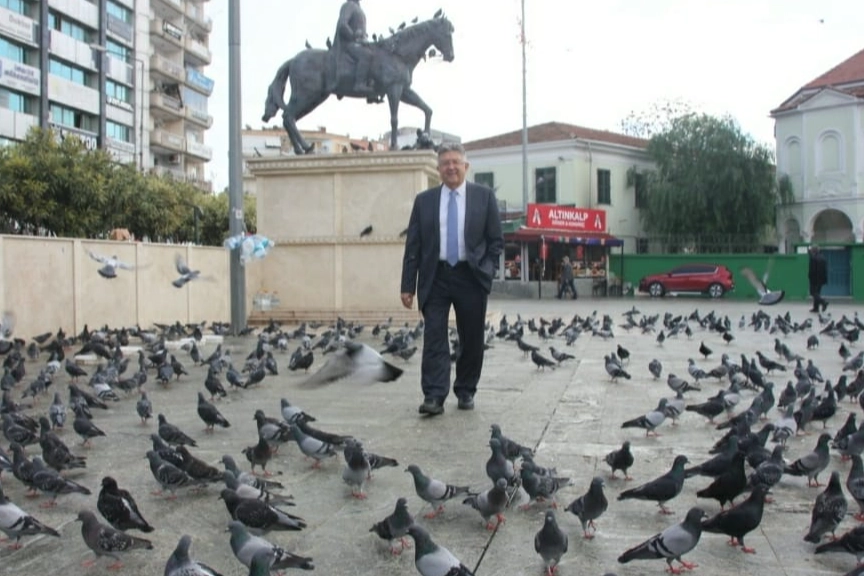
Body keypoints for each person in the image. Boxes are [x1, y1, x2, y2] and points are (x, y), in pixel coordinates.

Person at [400, 142, 504, 416]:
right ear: (438, 168)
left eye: (455, 162)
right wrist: (407, 285)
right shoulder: (425, 201)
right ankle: (434, 395)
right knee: (434, 336)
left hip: (471, 276)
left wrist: (488, 270)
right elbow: (413, 245)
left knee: (471, 337)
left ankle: (466, 389)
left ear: (465, 166)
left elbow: (496, 241)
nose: (451, 167)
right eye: (445, 162)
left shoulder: (484, 197)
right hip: (436, 276)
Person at [333, 0, 372, 93]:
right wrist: (354, 36)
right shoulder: (349, 6)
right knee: (366, 55)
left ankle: (372, 87)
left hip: (360, 43)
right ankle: (359, 84)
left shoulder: (358, 9)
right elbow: (342, 25)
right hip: (348, 43)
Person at [808, 245, 828, 312]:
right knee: (817, 293)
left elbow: (812, 270)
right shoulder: (823, 257)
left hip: (814, 279)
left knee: (813, 293)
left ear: (813, 251)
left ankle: (823, 302)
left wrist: (810, 277)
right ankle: (816, 308)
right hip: (821, 279)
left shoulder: (813, 258)